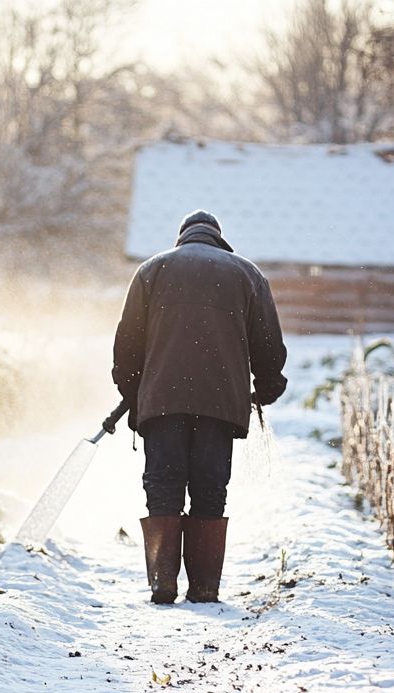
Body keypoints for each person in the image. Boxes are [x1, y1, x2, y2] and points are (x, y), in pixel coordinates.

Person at [112, 209, 287, 604]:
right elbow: (267, 343)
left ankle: (163, 582)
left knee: (163, 485)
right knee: (210, 488)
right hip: (220, 403)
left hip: (162, 402)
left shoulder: (151, 270)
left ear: (183, 237)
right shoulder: (247, 275)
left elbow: (128, 342)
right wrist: (268, 386)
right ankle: (205, 587)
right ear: (218, 237)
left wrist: (132, 390)